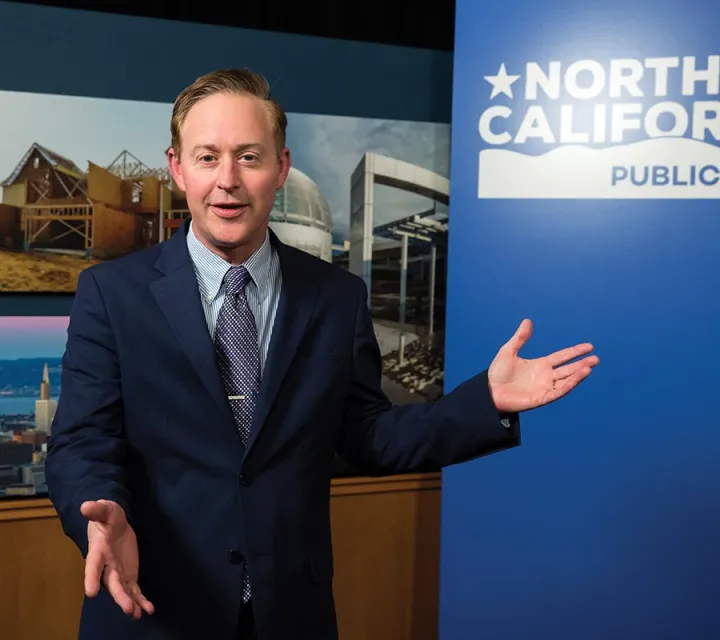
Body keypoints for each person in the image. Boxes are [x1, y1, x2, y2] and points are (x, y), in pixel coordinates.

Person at [45, 68, 599, 640]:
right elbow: (81, 441)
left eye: (249, 157)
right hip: (151, 611)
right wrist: (96, 509)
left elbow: (367, 435)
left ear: (280, 168)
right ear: (178, 167)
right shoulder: (112, 294)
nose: (227, 180)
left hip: (289, 617)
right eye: (208, 157)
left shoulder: (336, 297)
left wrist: (485, 402)